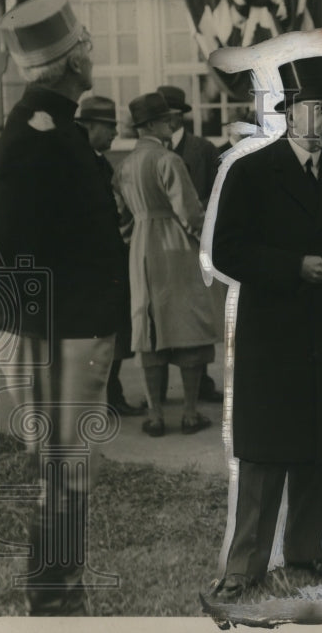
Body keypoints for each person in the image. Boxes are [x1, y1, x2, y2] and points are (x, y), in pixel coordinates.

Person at [207, 55, 322, 601]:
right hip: (271, 335)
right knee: (264, 453)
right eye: (321, 107)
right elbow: (225, 251)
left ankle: (305, 554)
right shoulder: (251, 171)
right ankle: (243, 569)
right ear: (291, 114)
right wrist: (293, 266)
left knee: (319, 448)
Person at [0, 0, 127, 614]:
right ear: (73, 61)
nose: (93, 52)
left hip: (74, 330)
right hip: (59, 336)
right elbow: (20, 252)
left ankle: (59, 592)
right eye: (87, 44)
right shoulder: (36, 136)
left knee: (73, 475)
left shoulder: (53, 125)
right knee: (66, 476)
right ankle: (55, 600)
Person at [114, 92, 219, 437]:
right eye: (164, 120)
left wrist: (136, 237)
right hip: (175, 246)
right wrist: (207, 238)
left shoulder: (125, 166)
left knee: (150, 327)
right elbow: (189, 212)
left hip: (142, 248)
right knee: (188, 323)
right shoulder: (168, 160)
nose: (170, 123)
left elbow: (123, 219)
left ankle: (155, 414)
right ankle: (189, 412)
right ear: (152, 125)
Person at [75, 96, 145, 417]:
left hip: (107, 261)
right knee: (99, 335)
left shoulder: (98, 162)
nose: (115, 133)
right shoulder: (80, 164)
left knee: (113, 332)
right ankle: (100, 400)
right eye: (109, 126)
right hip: (91, 266)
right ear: (88, 127)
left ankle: (110, 396)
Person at [156, 85, 224, 404]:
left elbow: (218, 190)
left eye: (167, 113)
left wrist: (200, 209)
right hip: (162, 245)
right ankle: (164, 387)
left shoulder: (204, 150)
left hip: (196, 242)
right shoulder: (151, 151)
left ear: (177, 116)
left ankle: (202, 381)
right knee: (165, 311)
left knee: (197, 312)